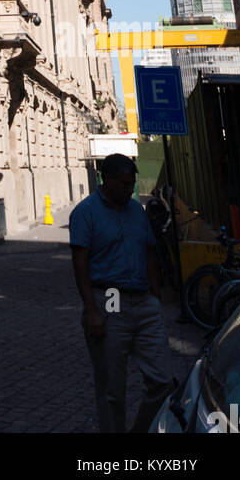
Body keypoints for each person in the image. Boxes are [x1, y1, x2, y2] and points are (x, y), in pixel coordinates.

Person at [69, 152, 174, 433]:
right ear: (107, 180)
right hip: (109, 301)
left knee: (163, 380)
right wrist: (92, 310)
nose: (130, 189)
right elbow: (79, 262)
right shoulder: (85, 213)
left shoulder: (136, 211)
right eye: (125, 184)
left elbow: (149, 252)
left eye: (132, 183)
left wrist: (155, 297)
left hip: (143, 301)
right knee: (112, 389)